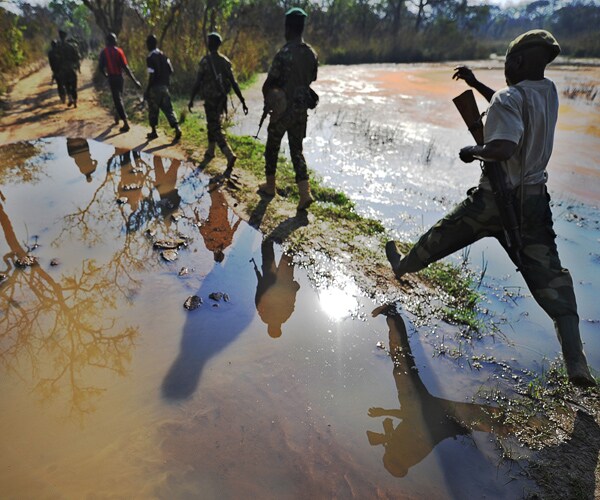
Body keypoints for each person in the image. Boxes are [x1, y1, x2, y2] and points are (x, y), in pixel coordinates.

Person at [385, 30, 596, 388]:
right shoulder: (546, 92)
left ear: (514, 62)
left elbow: (502, 144)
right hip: (534, 201)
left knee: (442, 236)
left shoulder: (508, 98)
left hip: (494, 201)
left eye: (508, 62)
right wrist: (477, 83)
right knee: (552, 277)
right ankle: (576, 362)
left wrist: (474, 151)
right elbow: (507, 106)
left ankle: (403, 265)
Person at [259, 7, 319, 211]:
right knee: (297, 151)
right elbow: (312, 78)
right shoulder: (311, 53)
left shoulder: (284, 53)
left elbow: (270, 82)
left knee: (272, 145)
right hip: (302, 109)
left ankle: (269, 186)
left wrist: (271, 100)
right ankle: (305, 193)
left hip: (283, 109)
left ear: (289, 27)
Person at [188, 32, 249, 173]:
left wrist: (191, 99)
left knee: (215, 127)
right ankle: (210, 151)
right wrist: (242, 100)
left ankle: (229, 154)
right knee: (213, 124)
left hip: (210, 100)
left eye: (208, 41)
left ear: (211, 44)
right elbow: (234, 83)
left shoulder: (205, 61)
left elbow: (198, 82)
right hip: (221, 100)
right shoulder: (225, 62)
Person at [99, 33, 142, 133]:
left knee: (117, 98)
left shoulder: (104, 52)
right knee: (118, 98)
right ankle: (117, 115)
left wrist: (106, 75)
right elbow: (125, 68)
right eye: (115, 39)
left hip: (112, 78)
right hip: (119, 78)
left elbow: (100, 68)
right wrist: (135, 81)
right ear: (113, 41)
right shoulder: (119, 51)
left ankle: (125, 122)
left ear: (107, 41)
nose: (116, 41)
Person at [144, 34, 182, 142]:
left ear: (150, 44)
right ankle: (177, 128)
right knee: (169, 109)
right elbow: (171, 70)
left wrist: (147, 89)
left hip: (155, 88)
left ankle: (154, 131)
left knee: (153, 110)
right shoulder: (164, 56)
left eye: (147, 43)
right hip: (165, 87)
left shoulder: (150, 57)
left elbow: (152, 75)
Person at [55, 29, 80, 107]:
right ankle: (75, 101)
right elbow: (77, 57)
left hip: (63, 69)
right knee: (74, 85)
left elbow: (56, 60)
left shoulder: (57, 47)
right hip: (71, 68)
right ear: (65, 37)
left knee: (66, 85)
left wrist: (57, 70)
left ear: (60, 36)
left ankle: (70, 99)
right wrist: (76, 66)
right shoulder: (71, 46)